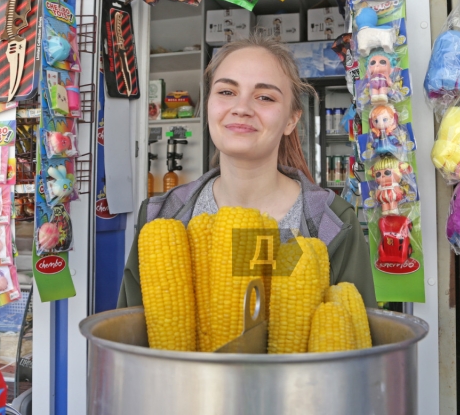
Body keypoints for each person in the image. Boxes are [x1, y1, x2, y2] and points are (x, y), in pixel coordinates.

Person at [118, 35, 376, 308]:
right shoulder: (158, 216)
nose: (241, 108)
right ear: (209, 105)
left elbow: (358, 339)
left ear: (291, 119)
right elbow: (130, 334)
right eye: (226, 92)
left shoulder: (334, 223)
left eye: (265, 97)